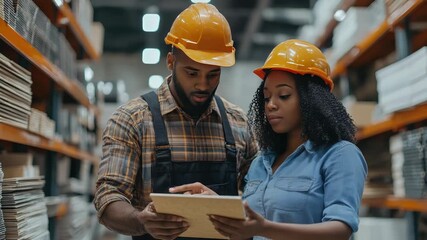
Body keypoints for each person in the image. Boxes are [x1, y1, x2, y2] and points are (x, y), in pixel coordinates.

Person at [170, 39, 368, 240]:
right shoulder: (262, 162)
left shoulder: (339, 155)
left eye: (283, 95)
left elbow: (340, 229)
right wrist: (217, 204)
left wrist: (263, 228)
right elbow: (256, 219)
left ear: (313, 99)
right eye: (266, 98)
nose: (271, 105)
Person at [93, 3, 258, 240]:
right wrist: (141, 222)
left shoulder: (238, 123)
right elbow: (108, 197)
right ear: (171, 62)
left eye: (213, 74)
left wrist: (229, 207)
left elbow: (262, 197)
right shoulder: (132, 120)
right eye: (191, 73)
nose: (203, 85)